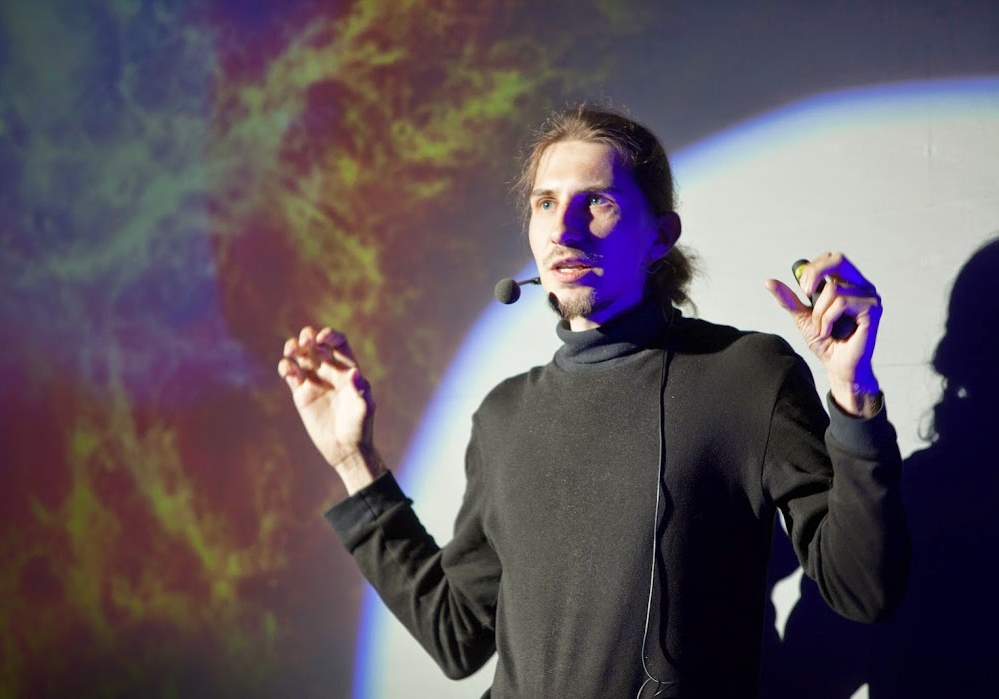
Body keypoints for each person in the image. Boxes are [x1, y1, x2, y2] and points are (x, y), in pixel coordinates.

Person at [277, 105, 910, 698]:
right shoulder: (502, 416)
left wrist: (852, 394)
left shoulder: (748, 375)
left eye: (597, 201)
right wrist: (353, 460)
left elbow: (863, 589)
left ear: (660, 235)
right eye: (546, 203)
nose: (563, 228)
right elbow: (457, 635)